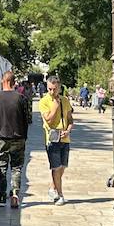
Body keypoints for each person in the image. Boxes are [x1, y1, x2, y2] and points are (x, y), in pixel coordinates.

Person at [0, 69, 32, 209]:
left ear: (5, 81)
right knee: (16, 168)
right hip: (18, 137)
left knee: (2, 167)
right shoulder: (21, 98)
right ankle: (14, 195)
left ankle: (1, 197)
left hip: (2, 137)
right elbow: (27, 119)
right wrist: (24, 136)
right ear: (13, 82)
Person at [38, 73, 74, 206]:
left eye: (55, 89)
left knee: (62, 167)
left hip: (65, 137)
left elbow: (70, 119)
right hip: (52, 138)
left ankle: (52, 187)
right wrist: (55, 106)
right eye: (49, 89)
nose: (52, 92)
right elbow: (48, 119)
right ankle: (60, 194)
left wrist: (68, 130)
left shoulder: (65, 100)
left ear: (59, 88)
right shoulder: (44, 101)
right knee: (56, 167)